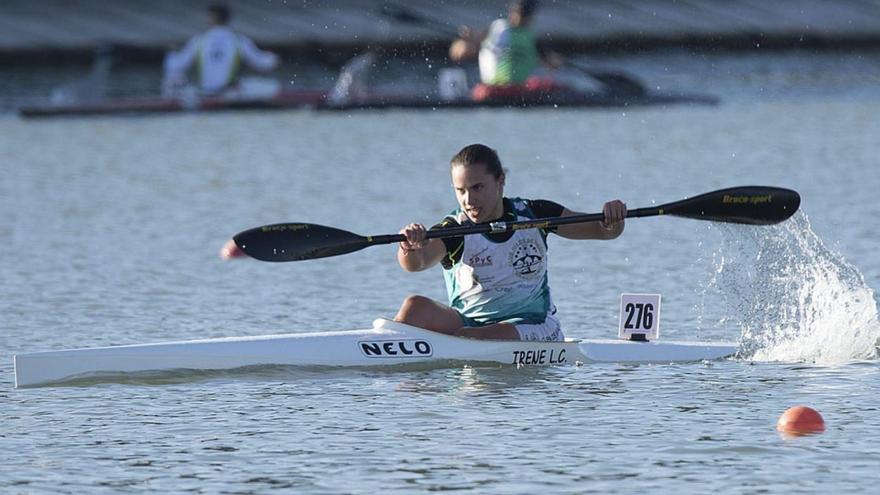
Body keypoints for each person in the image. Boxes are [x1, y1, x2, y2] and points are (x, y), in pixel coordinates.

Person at [394, 144, 626, 341]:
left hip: (534, 325)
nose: (469, 200)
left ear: (500, 181)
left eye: (477, 187)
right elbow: (417, 263)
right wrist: (409, 246)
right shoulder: (454, 228)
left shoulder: (536, 214)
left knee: (473, 337)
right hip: (470, 323)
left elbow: (603, 232)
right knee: (414, 308)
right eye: (461, 190)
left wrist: (613, 219)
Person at [163, 3, 279, 95]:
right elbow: (264, 63)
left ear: (212, 18)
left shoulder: (198, 41)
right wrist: (273, 57)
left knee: (174, 79)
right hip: (229, 94)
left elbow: (174, 66)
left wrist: (171, 53)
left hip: (204, 94)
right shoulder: (239, 41)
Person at [449, 0, 563, 87]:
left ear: (530, 17)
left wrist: (555, 60)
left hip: (519, 91)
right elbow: (457, 54)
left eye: (523, 15)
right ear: (511, 12)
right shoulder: (496, 28)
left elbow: (553, 63)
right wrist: (467, 40)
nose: (518, 19)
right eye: (517, 13)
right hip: (492, 88)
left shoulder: (532, 38)